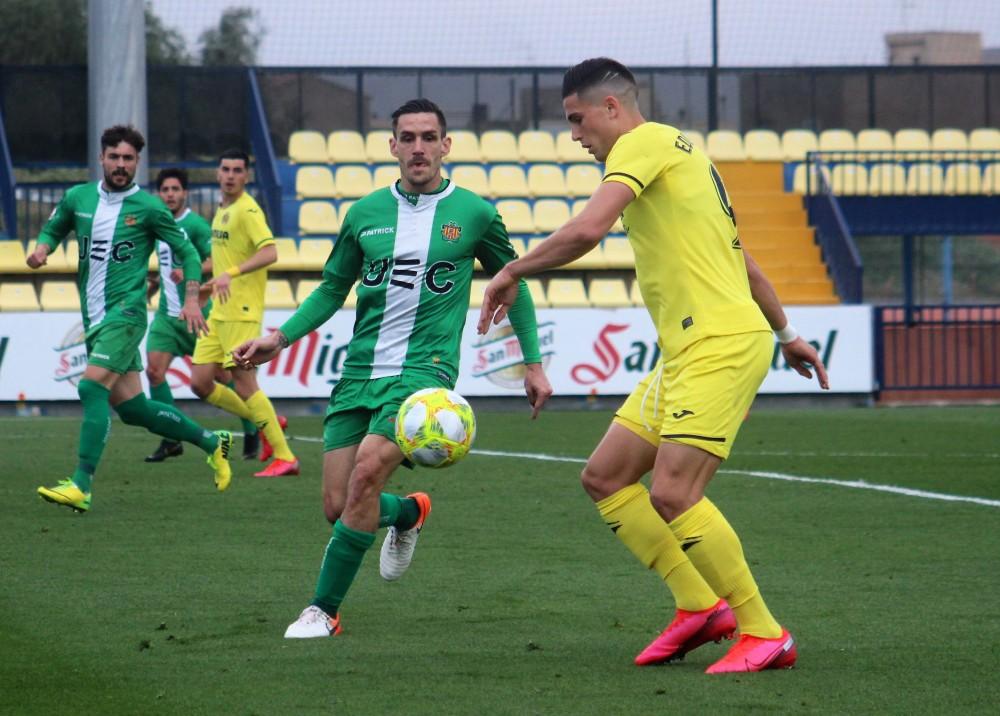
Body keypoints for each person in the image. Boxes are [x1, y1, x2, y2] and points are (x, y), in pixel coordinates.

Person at [478, 59, 829, 674]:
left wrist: (511, 269)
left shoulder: (641, 143)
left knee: (672, 490)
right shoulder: (681, 155)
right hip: (692, 348)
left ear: (612, 107)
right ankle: (698, 606)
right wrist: (788, 332)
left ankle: (763, 630)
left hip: (718, 343)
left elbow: (588, 230)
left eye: (577, 119)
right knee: (606, 476)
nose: (575, 135)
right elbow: (739, 259)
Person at [234, 98, 553, 639]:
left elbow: (511, 283)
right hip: (359, 371)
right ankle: (407, 513)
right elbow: (333, 288)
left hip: (422, 376)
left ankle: (323, 610)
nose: (419, 148)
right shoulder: (363, 214)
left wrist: (533, 363)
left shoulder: (474, 213)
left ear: (446, 145)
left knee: (363, 475)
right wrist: (278, 337)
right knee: (339, 506)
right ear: (393, 147)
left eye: (430, 137)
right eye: (408, 138)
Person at [30, 125, 233, 512]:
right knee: (134, 409)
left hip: (126, 314)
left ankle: (81, 484)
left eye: (129, 159)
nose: (121, 165)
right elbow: (54, 226)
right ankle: (212, 442)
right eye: (115, 157)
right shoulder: (79, 197)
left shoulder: (150, 208)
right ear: (102, 158)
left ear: (137, 162)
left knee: (91, 389)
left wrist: (192, 299)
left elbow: (189, 254)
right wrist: (42, 248)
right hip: (95, 317)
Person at [189, 149, 296, 478]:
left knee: (244, 381)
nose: (231, 175)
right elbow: (224, 260)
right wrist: (204, 287)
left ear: (246, 176)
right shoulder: (222, 210)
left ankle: (285, 456)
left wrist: (230, 274)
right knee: (200, 383)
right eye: (226, 169)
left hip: (242, 310)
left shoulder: (247, 210)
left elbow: (271, 252)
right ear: (218, 174)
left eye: (238, 170)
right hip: (220, 312)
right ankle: (262, 419)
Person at [144, 167, 260, 462]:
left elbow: (214, 260)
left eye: (175, 189)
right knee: (154, 372)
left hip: (199, 313)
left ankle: (254, 426)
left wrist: (191, 269)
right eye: (165, 190)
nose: (170, 194)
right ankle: (170, 438)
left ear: (185, 193)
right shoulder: (157, 224)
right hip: (167, 317)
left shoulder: (195, 225)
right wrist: (152, 284)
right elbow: (164, 265)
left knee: (221, 376)